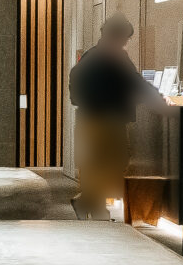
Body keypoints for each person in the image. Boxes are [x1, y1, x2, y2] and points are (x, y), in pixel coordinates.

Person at [68, 13, 167, 218]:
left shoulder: (90, 55)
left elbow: (75, 84)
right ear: (117, 35)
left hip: (87, 118)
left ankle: (92, 205)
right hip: (110, 119)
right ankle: (87, 202)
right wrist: (157, 97)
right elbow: (134, 82)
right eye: (125, 38)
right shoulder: (115, 57)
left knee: (94, 164)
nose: (125, 43)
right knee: (118, 161)